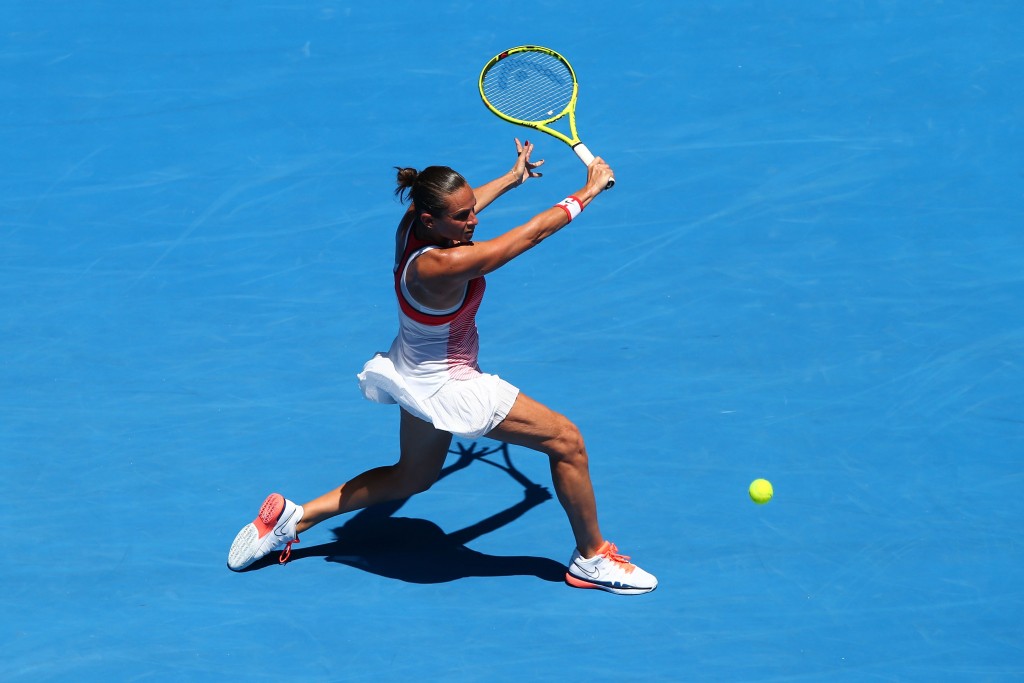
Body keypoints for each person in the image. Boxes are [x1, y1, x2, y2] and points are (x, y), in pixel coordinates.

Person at [227, 139, 657, 595]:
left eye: (473, 209)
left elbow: (463, 207)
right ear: (431, 219)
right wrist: (587, 192)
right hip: (449, 383)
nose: (474, 220)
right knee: (567, 442)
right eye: (463, 216)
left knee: (413, 477)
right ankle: (591, 558)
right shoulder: (445, 264)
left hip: (413, 371)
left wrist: (512, 178)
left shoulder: (412, 224)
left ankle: (294, 518)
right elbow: (527, 236)